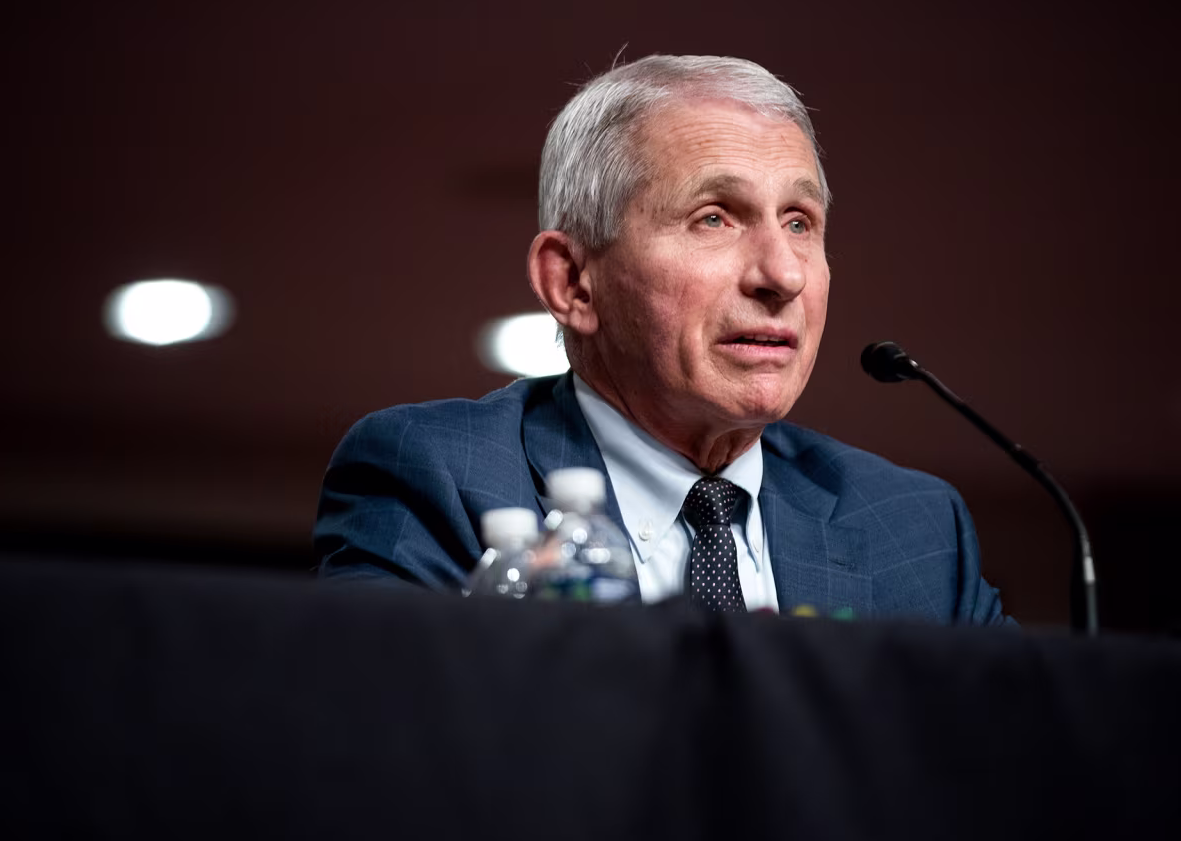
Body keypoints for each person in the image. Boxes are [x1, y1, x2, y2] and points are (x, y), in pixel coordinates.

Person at [313, 54, 1009, 624]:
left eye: (799, 222)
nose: (783, 274)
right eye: (715, 217)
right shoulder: (440, 480)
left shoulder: (916, 531)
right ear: (574, 283)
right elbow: (393, 754)